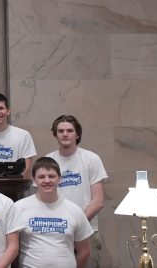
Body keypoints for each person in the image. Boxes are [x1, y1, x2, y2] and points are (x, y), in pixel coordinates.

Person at [45, 115, 107, 268]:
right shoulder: (48, 160)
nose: (65, 134)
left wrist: (74, 225)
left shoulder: (91, 159)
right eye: (60, 131)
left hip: (87, 230)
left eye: (69, 130)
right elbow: (42, 200)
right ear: (56, 134)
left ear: (77, 134)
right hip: (56, 231)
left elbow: (98, 201)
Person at [14, 157, 93, 268]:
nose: (47, 181)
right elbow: (10, 248)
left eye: (51, 176)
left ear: (59, 178)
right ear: (34, 179)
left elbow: (85, 253)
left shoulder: (74, 210)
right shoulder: (19, 207)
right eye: (41, 177)